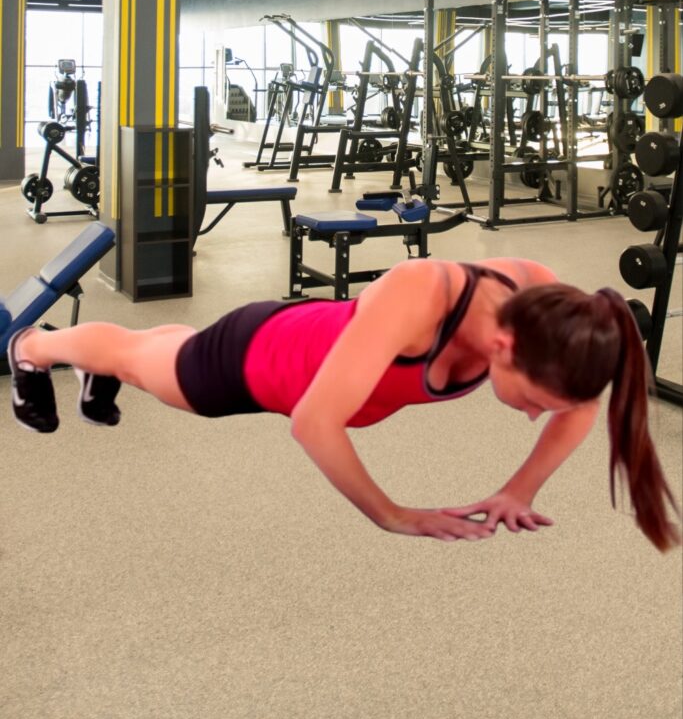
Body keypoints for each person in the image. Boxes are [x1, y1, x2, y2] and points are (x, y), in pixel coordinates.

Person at [7, 256, 681, 552]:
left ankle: (97, 369)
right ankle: (34, 347)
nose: (536, 415)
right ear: (502, 346)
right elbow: (314, 422)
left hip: (301, 342)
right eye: (531, 401)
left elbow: (579, 403)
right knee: (141, 359)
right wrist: (392, 515)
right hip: (253, 366)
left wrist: (518, 488)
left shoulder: (548, 306)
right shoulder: (423, 292)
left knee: (158, 350)